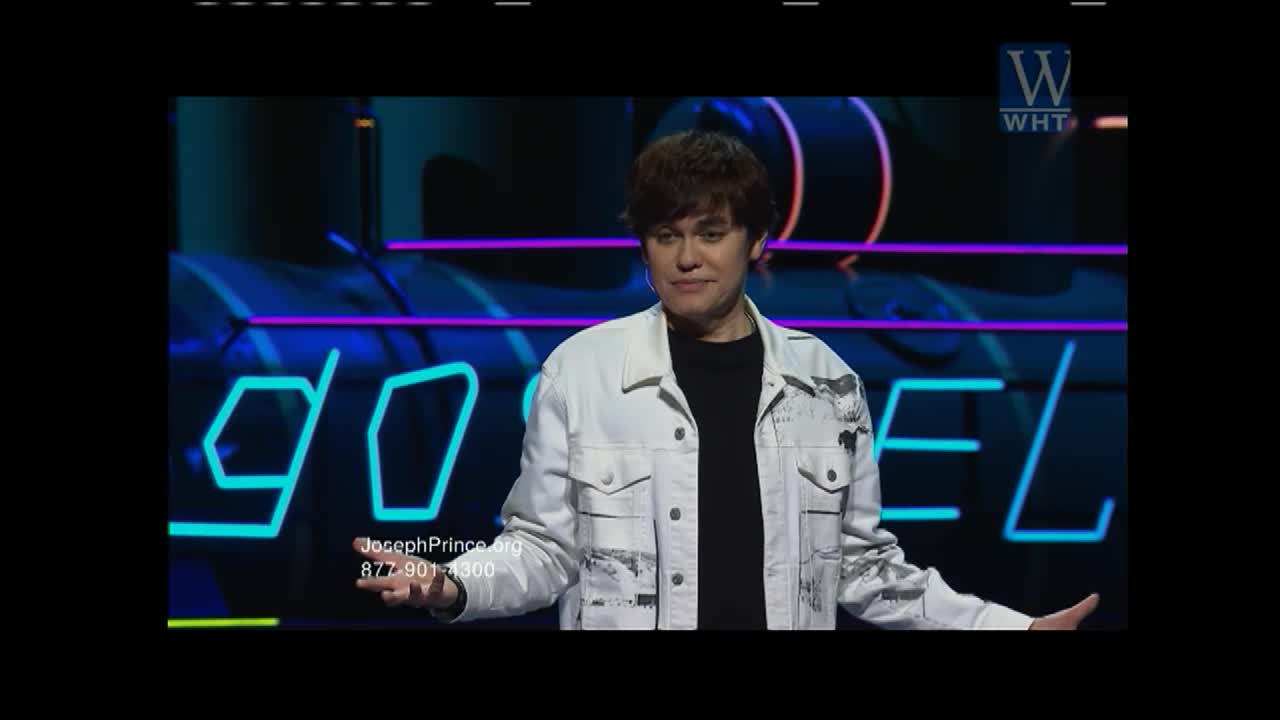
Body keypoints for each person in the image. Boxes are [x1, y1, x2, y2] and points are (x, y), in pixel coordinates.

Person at [354, 129, 1100, 630]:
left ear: (756, 241)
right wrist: (454, 584)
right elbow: (544, 550)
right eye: (667, 236)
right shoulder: (580, 372)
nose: (687, 258)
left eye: (711, 234)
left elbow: (863, 568)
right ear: (644, 247)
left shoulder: (826, 383)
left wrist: (1011, 627)